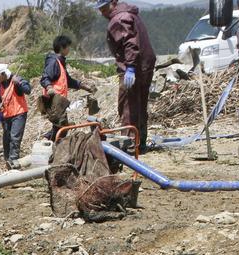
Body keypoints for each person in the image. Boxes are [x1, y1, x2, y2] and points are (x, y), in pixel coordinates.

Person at [98, 0, 157, 153]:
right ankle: (140, 143)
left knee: (128, 106)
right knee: (140, 104)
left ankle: (130, 145)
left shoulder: (120, 18)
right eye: (100, 9)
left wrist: (130, 66)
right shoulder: (130, 14)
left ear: (113, 2)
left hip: (134, 67)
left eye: (104, 8)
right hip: (144, 64)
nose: (102, 12)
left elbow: (130, 43)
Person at [41, 35, 96, 141]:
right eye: (68, 47)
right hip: (54, 101)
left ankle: (49, 142)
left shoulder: (60, 62)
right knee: (62, 127)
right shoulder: (53, 62)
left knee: (60, 127)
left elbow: (68, 80)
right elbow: (45, 78)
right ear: (62, 47)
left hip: (60, 101)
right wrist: (49, 87)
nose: (69, 49)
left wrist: (83, 86)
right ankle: (49, 144)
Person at [0, 63, 31, 168]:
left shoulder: (16, 79)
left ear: (3, 74)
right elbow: (1, 101)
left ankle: (13, 160)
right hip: (7, 115)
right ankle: (7, 159)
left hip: (19, 113)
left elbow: (28, 90)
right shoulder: (0, 85)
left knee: (15, 137)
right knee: (6, 138)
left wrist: (19, 84)